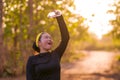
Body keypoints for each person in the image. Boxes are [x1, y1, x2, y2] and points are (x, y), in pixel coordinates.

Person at [26, 10, 70, 80]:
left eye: (50, 38)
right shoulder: (32, 60)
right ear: (39, 43)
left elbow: (66, 38)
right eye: (46, 37)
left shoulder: (56, 54)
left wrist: (59, 17)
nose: (49, 39)